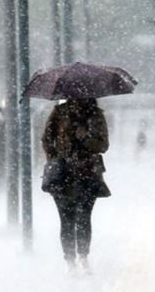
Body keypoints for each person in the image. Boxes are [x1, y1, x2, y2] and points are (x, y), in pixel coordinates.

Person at [42, 98, 110, 274]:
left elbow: (103, 145)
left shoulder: (96, 114)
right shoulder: (59, 113)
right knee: (66, 219)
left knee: (84, 217)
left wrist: (85, 138)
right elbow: (46, 139)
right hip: (63, 174)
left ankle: (83, 256)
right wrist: (55, 158)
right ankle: (70, 260)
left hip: (87, 173)